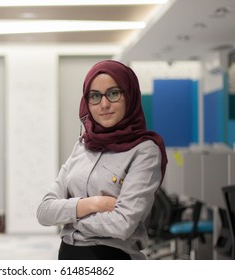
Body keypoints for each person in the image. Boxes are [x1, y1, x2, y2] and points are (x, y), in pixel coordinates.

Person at [37, 60, 168, 260]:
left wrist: (69, 218)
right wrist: (93, 204)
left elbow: (122, 224)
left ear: (129, 96)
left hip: (112, 256)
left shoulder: (144, 151)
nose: (104, 104)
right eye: (95, 96)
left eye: (113, 93)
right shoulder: (82, 145)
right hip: (68, 255)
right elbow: (44, 211)